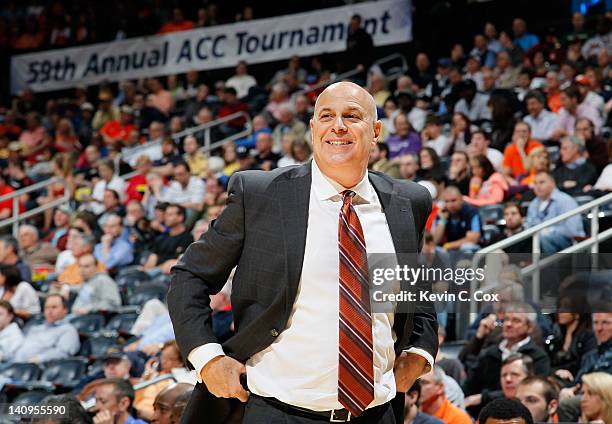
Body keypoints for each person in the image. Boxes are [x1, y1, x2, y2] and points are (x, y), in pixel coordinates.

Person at [167, 81, 437, 423]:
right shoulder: (261, 194)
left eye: (352, 116)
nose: (338, 125)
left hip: (376, 414)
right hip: (277, 411)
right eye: (327, 116)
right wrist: (208, 358)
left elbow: (415, 290)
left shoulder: (407, 202)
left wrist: (419, 351)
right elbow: (190, 276)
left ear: (376, 131)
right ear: (313, 128)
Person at [463, 302, 551, 397]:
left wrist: (483, 398)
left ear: (529, 327)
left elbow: (536, 392)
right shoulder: (490, 353)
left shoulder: (538, 356)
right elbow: (469, 386)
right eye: (506, 319)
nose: (508, 324)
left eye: (516, 321)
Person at [526, 171, 585, 255]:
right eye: (535, 183)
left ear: (552, 183)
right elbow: (529, 227)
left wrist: (549, 231)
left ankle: (552, 267)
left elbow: (572, 230)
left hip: (568, 242)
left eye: (542, 182)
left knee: (544, 237)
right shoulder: (533, 204)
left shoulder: (565, 200)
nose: (538, 186)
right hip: (539, 240)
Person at [14, 294, 79, 363]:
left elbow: (64, 353)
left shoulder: (68, 330)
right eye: (47, 308)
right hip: (13, 362)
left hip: (34, 368)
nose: (49, 311)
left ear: (65, 310)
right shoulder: (36, 328)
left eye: (54, 307)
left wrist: (40, 358)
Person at [142, 204, 193, 276]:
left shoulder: (188, 238)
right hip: (154, 273)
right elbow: (153, 257)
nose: (166, 217)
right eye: (165, 214)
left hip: (171, 276)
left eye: (170, 215)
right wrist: (145, 271)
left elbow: (178, 263)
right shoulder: (161, 238)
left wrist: (155, 270)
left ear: (180, 217)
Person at [432, 186, 481, 253]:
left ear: (461, 199)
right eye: (447, 201)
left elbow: (473, 239)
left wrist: (450, 245)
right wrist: (443, 221)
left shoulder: (471, 212)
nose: (450, 204)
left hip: (470, 250)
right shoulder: (443, 214)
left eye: (453, 200)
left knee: (467, 247)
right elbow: (435, 241)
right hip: (449, 250)